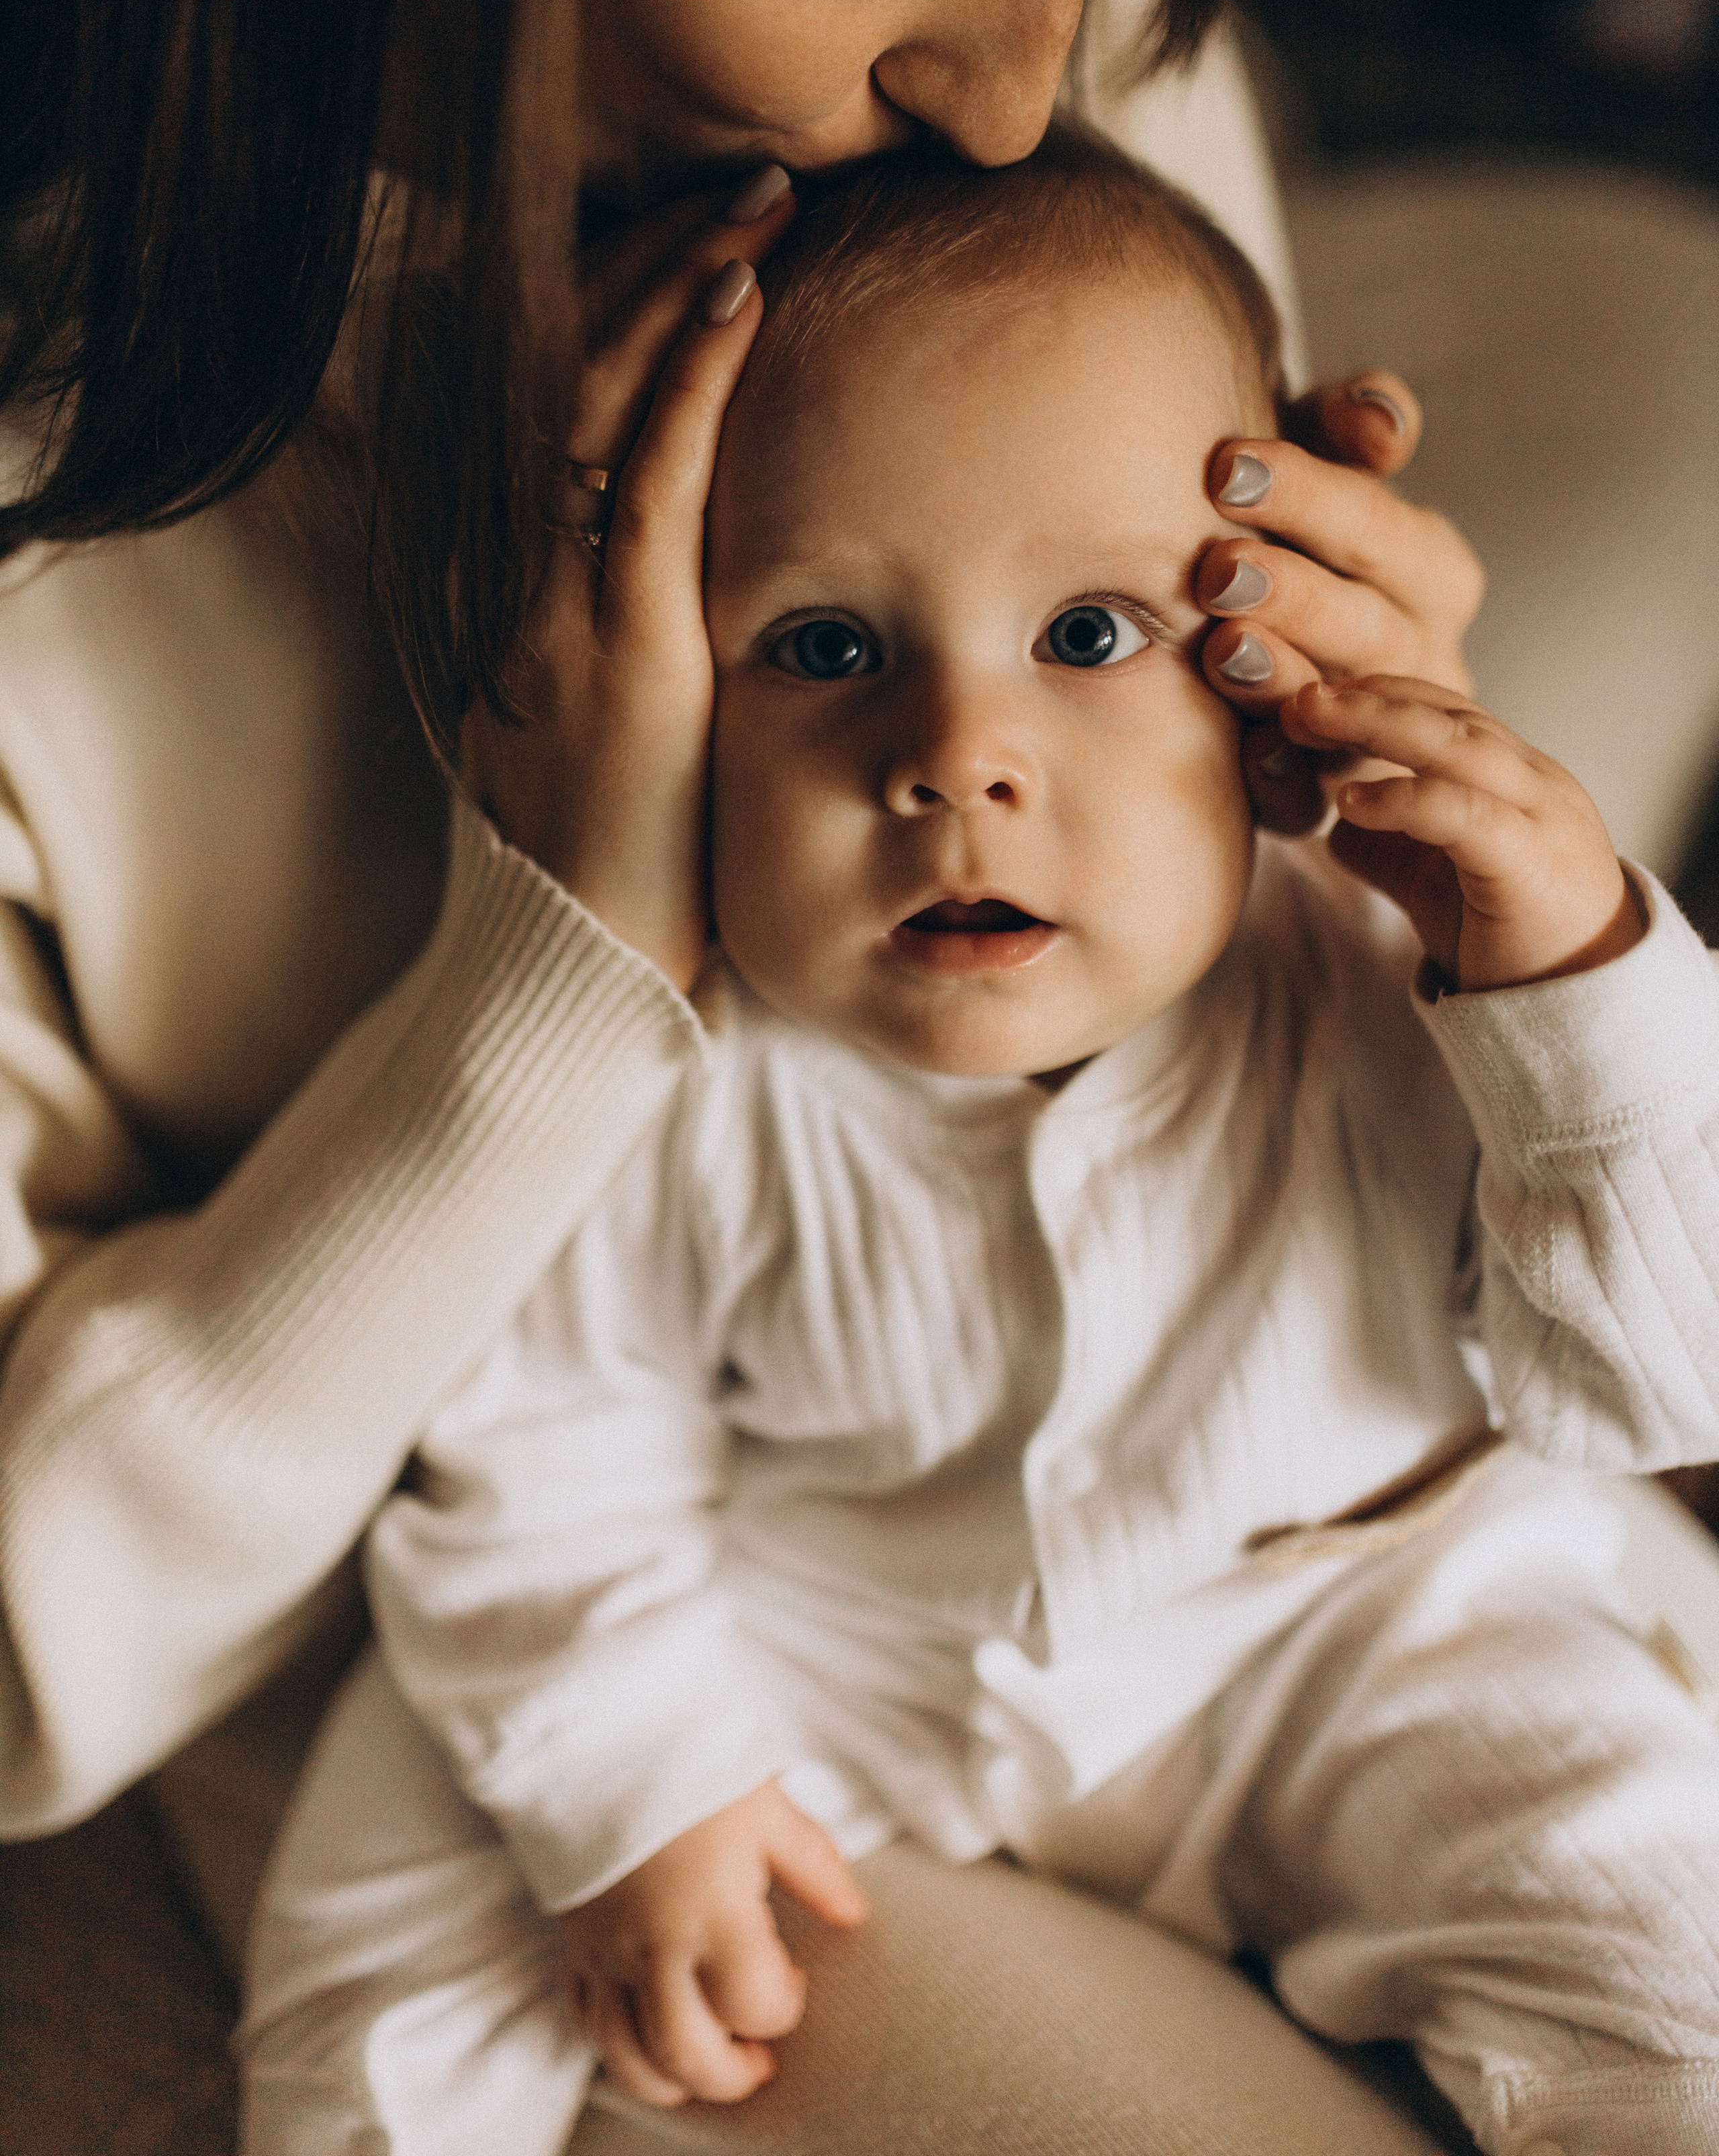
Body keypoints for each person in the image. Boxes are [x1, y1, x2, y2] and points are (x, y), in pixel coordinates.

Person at [0, 0, 1557, 2145]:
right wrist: (555, 967)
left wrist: (1379, 791)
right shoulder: (82, 544)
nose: (1031, 81)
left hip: (1241, 1551)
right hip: (576, 1671)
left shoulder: (1064, 80)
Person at [237, 138, 1719, 2156]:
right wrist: (638, 1785)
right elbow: (546, 1446)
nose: (954, 754)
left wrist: (1584, 976)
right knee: (406, 1854)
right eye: (826, 648)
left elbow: (1646, 1383)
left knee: (1663, 1939)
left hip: (1356, 1630)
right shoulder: (660, 1039)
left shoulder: (1401, 955)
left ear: (1266, 654)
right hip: (836, 1639)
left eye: (1092, 636)